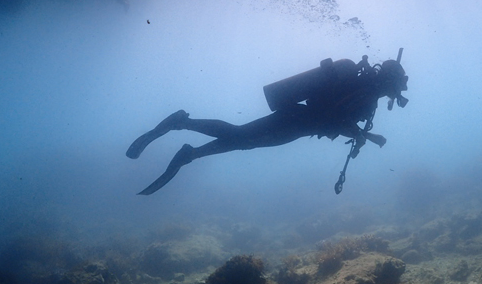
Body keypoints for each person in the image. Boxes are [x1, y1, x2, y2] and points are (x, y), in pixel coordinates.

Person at [127, 52, 408, 195]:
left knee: (242, 143)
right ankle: (182, 123)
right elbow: (334, 116)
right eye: (395, 88)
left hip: (299, 124)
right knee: (240, 136)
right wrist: (361, 135)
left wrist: (362, 135)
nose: (394, 95)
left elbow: (337, 118)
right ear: (389, 82)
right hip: (297, 121)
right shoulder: (365, 93)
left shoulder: (366, 93)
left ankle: (192, 153)